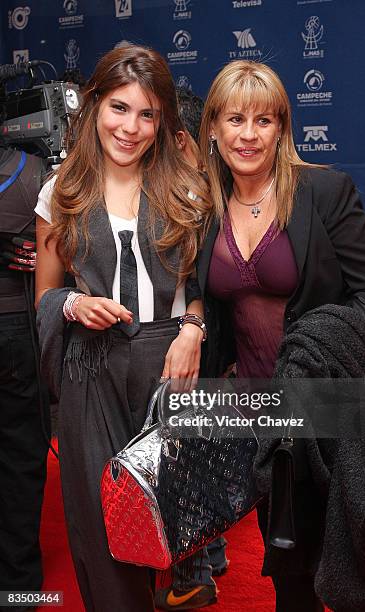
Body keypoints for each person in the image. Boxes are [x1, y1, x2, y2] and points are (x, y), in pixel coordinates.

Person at [197, 60, 365, 612]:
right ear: (212, 127)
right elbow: (202, 300)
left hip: (332, 407)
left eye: (264, 120)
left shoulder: (324, 190)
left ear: (282, 128)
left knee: (361, 561)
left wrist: (321, 362)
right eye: (235, 119)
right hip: (260, 415)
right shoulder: (205, 210)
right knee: (289, 568)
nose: (248, 134)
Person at [34, 45, 210, 612]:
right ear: (93, 107)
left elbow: (206, 286)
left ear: (162, 122)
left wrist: (192, 329)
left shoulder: (187, 188)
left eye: (147, 114)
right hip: (91, 370)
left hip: (171, 368)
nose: (131, 128)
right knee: (99, 529)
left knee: (170, 529)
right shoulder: (59, 192)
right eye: (118, 108)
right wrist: (72, 307)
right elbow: (43, 295)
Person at [155, 86, 228, 612]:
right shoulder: (214, 189)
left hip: (194, 339)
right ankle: (213, 555)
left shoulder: (195, 196)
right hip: (207, 340)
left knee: (183, 455)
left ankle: (195, 573)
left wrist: (192, 329)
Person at [0, 147, 50, 612]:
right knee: (20, 459)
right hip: (16, 327)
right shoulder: (32, 170)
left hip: (18, 327)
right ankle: (18, 588)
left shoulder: (32, 169)